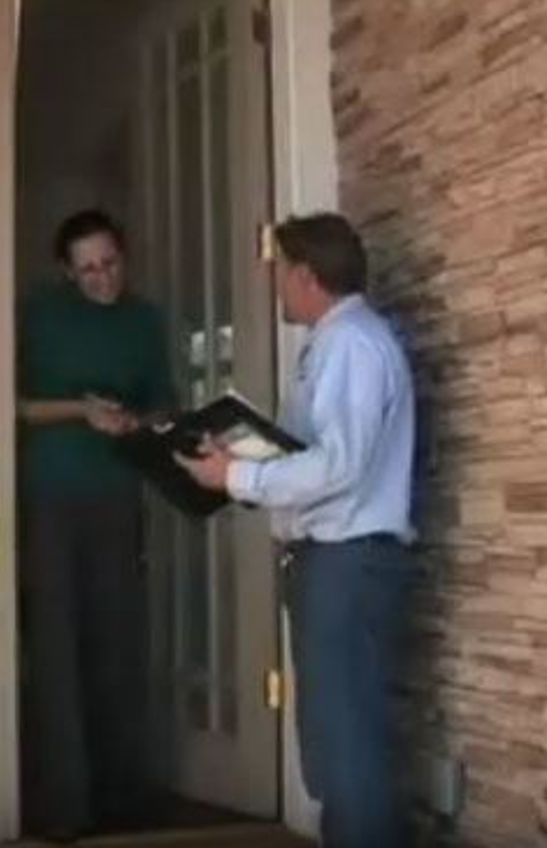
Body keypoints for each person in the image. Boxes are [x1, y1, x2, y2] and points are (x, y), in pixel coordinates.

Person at [175, 213, 418, 847]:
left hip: (348, 563)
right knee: (336, 746)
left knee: (347, 750)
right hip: (332, 564)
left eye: (280, 271)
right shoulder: (334, 344)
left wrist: (238, 480)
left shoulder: (352, 346)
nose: (274, 284)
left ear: (307, 275)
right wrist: (236, 457)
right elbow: (319, 453)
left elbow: (340, 462)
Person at [16, 209, 176, 842]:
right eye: (87, 269)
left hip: (117, 491)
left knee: (116, 642)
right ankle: (64, 805)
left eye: (109, 264)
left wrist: (135, 420)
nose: (101, 277)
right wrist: (79, 410)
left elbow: (164, 399)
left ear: (124, 257)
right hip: (52, 492)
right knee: (56, 648)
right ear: (67, 272)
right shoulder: (40, 316)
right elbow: (12, 402)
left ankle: (122, 797)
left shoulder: (145, 320)